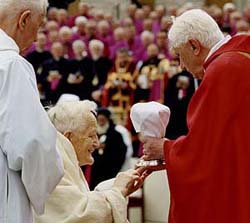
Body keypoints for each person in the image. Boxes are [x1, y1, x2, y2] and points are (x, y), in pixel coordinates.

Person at [142, 9, 250, 223]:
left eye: (180, 55)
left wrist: (164, 149)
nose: (181, 65)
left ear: (194, 45)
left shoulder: (223, 70)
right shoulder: (241, 59)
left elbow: (203, 152)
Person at [0, 1, 64, 223]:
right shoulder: (10, 65)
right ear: (24, 19)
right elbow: (31, 143)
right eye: (37, 26)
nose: (37, 38)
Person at [35, 101, 146, 223]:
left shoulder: (63, 158)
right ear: (68, 137)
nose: (97, 143)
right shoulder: (51, 165)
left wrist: (117, 187)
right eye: (91, 136)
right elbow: (80, 215)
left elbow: (79, 202)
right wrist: (117, 191)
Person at [90, 108, 127, 190]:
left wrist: (107, 148)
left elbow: (121, 153)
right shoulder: (92, 133)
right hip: (93, 172)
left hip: (109, 172)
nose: (101, 123)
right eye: (99, 120)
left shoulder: (116, 135)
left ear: (107, 120)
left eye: (103, 120)